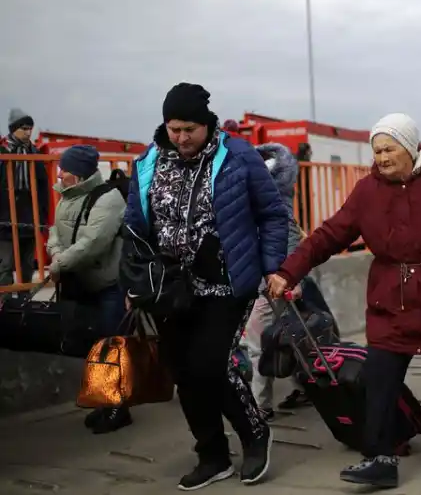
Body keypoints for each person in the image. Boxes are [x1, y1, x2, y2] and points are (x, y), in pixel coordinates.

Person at [268, 113, 421, 489]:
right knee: (379, 375)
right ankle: (380, 456)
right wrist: (289, 271)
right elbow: (328, 235)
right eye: (377, 151)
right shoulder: (367, 191)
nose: (382, 158)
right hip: (392, 294)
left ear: (410, 147)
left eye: (389, 149)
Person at [122, 83, 290, 490]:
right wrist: (134, 281)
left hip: (226, 282)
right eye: (174, 128)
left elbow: (272, 213)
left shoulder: (237, 156)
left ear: (207, 125)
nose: (181, 137)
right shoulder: (148, 162)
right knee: (183, 371)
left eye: (190, 129)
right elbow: (133, 225)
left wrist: (272, 267)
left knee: (211, 366)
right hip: (170, 288)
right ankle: (212, 455)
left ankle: (254, 434)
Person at [47, 145, 131, 433]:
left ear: (80, 173)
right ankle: (103, 403)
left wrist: (59, 264)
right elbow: (54, 233)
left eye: (66, 170)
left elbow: (93, 243)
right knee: (92, 348)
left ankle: (116, 409)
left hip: (108, 285)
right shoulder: (66, 196)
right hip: (81, 283)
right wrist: (57, 254)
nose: (61, 173)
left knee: (109, 349)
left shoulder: (109, 199)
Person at [242, 142, 310, 418]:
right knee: (288, 339)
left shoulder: (267, 201)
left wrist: (290, 277)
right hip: (277, 280)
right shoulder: (278, 197)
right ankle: (305, 386)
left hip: (271, 282)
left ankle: (260, 406)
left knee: (260, 344)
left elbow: (287, 238)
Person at [0, 108, 50, 287]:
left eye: (30, 128)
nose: (28, 132)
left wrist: (43, 215)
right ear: (13, 129)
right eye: (24, 128)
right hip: (5, 215)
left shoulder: (34, 153)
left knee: (27, 263)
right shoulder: (3, 152)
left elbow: (43, 186)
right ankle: (4, 304)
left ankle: (23, 302)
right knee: (4, 264)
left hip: (30, 214)